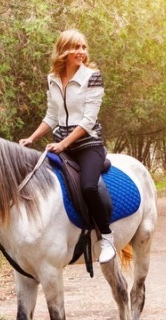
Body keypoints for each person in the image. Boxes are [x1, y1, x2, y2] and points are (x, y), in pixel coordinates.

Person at [20, 29, 115, 263]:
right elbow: (51, 116)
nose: (81, 52)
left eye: (83, 47)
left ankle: (107, 237)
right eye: (76, 47)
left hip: (88, 144)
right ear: (63, 50)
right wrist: (31, 138)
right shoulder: (52, 78)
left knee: (88, 187)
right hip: (60, 143)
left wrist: (62, 144)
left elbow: (88, 120)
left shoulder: (92, 77)